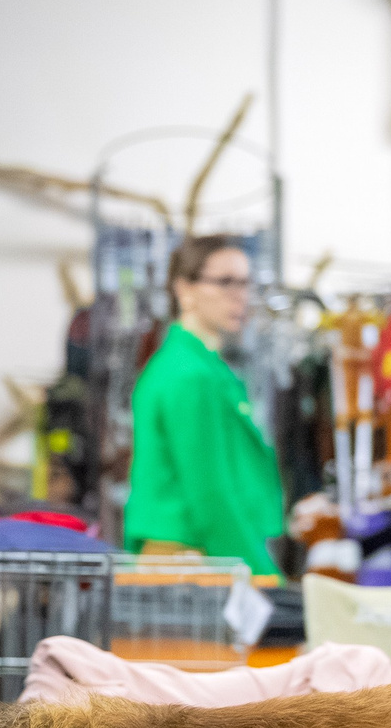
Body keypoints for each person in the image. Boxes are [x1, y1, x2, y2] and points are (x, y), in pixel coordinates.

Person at [121, 235, 283, 574]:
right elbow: (210, 495)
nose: (240, 295)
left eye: (244, 282)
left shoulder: (195, 365)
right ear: (184, 289)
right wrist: (264, 577)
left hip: (191, 559)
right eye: (225, 282)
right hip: (191, 562)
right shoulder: (190, 375)